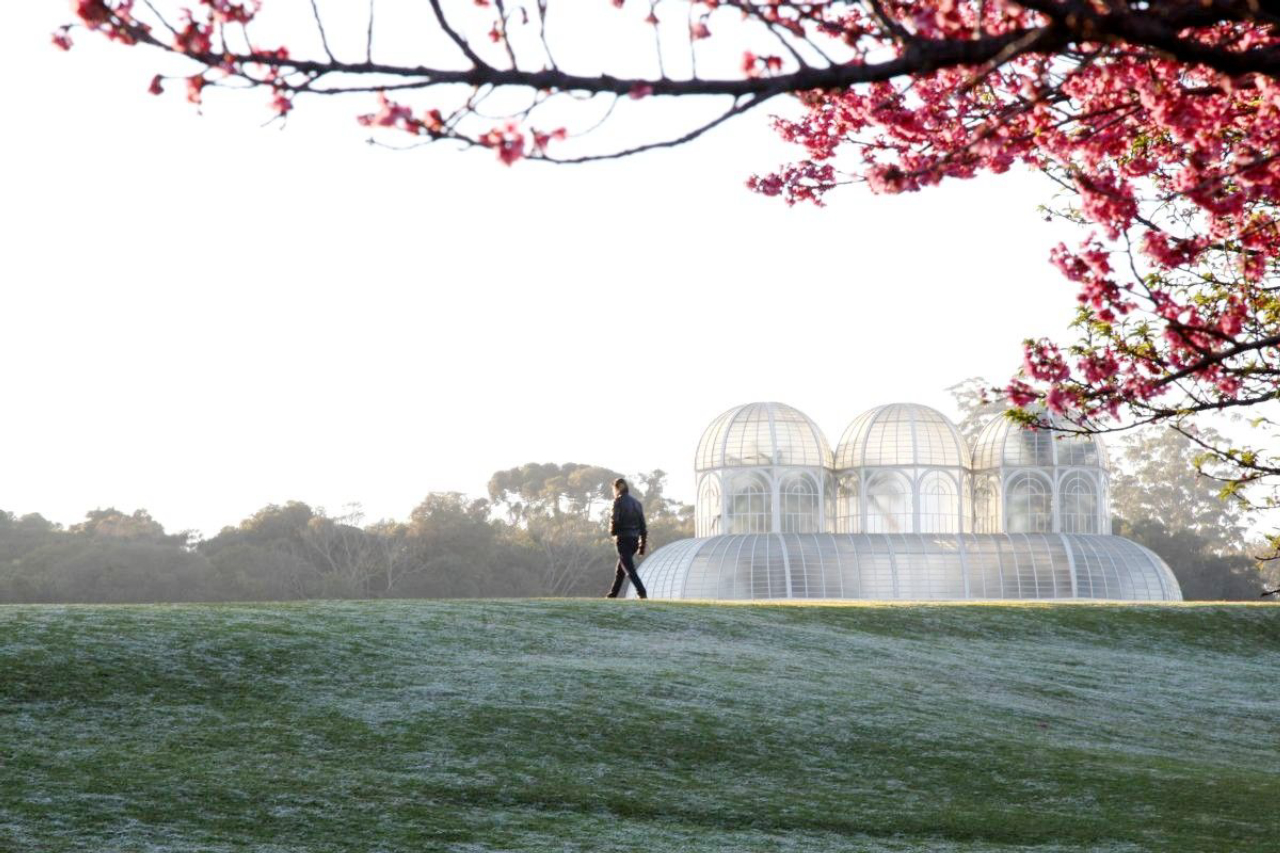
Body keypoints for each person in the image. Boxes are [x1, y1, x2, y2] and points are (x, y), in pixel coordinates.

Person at [605, 478, 648, 599]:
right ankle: (612, 594)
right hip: (634, 540)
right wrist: (642, 545)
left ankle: (641, 592)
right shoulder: (637, 503)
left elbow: (615, 520)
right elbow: (643, 526)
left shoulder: (617, 501)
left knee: (629, 569)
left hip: (623, 539)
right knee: (621, 569)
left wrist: (613, 532)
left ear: (617, 488)